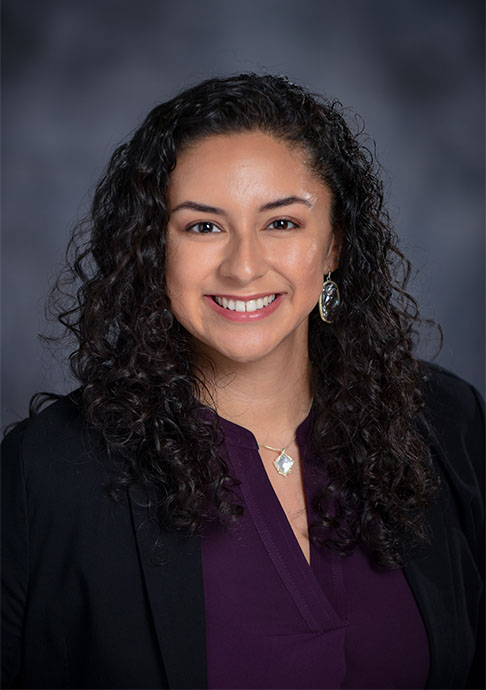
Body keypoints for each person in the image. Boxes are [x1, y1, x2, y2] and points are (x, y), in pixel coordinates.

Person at [1, 74, 483, 690]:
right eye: (204, 227)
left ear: (333, 245)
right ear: (154, 249)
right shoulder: (45, 474)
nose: (245, 266)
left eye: (282, 223)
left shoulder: (448, 422)